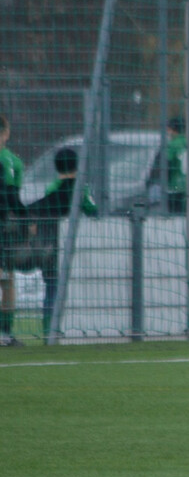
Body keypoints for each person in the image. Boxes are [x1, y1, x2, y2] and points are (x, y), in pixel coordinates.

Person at [23, 148, 98, 337]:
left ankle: (49, 330)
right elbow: (92, 211)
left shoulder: (51, 189)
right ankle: (73, 329)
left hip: (49, 246)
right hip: (72, 248)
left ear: (56, 167)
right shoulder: (81, 188)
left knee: (51, 287)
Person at [149, 116, 189, 214]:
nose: (168, 132)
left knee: (176, 219)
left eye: (169, 129)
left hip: (175, 189)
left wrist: (163, 180)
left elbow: (167, 165)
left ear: (173, 129)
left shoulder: (172, 145)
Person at [0, 114, 26, 347]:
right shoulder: (11, 161)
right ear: (6, 133)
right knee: (6, 280)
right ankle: (5, 332)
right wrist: (26, 220)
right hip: (3, 227)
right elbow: (12, 197)